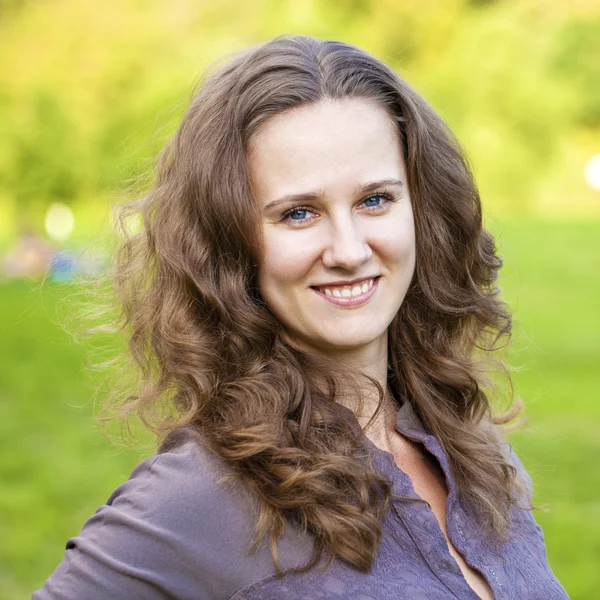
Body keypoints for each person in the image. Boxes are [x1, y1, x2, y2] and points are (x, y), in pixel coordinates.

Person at [32, 35, 569, 600]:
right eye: (299, 213)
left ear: (423, 210)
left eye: (375, 200)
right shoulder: (203, 498)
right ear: (229, 243)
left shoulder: (469, 449)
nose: (349, 248)